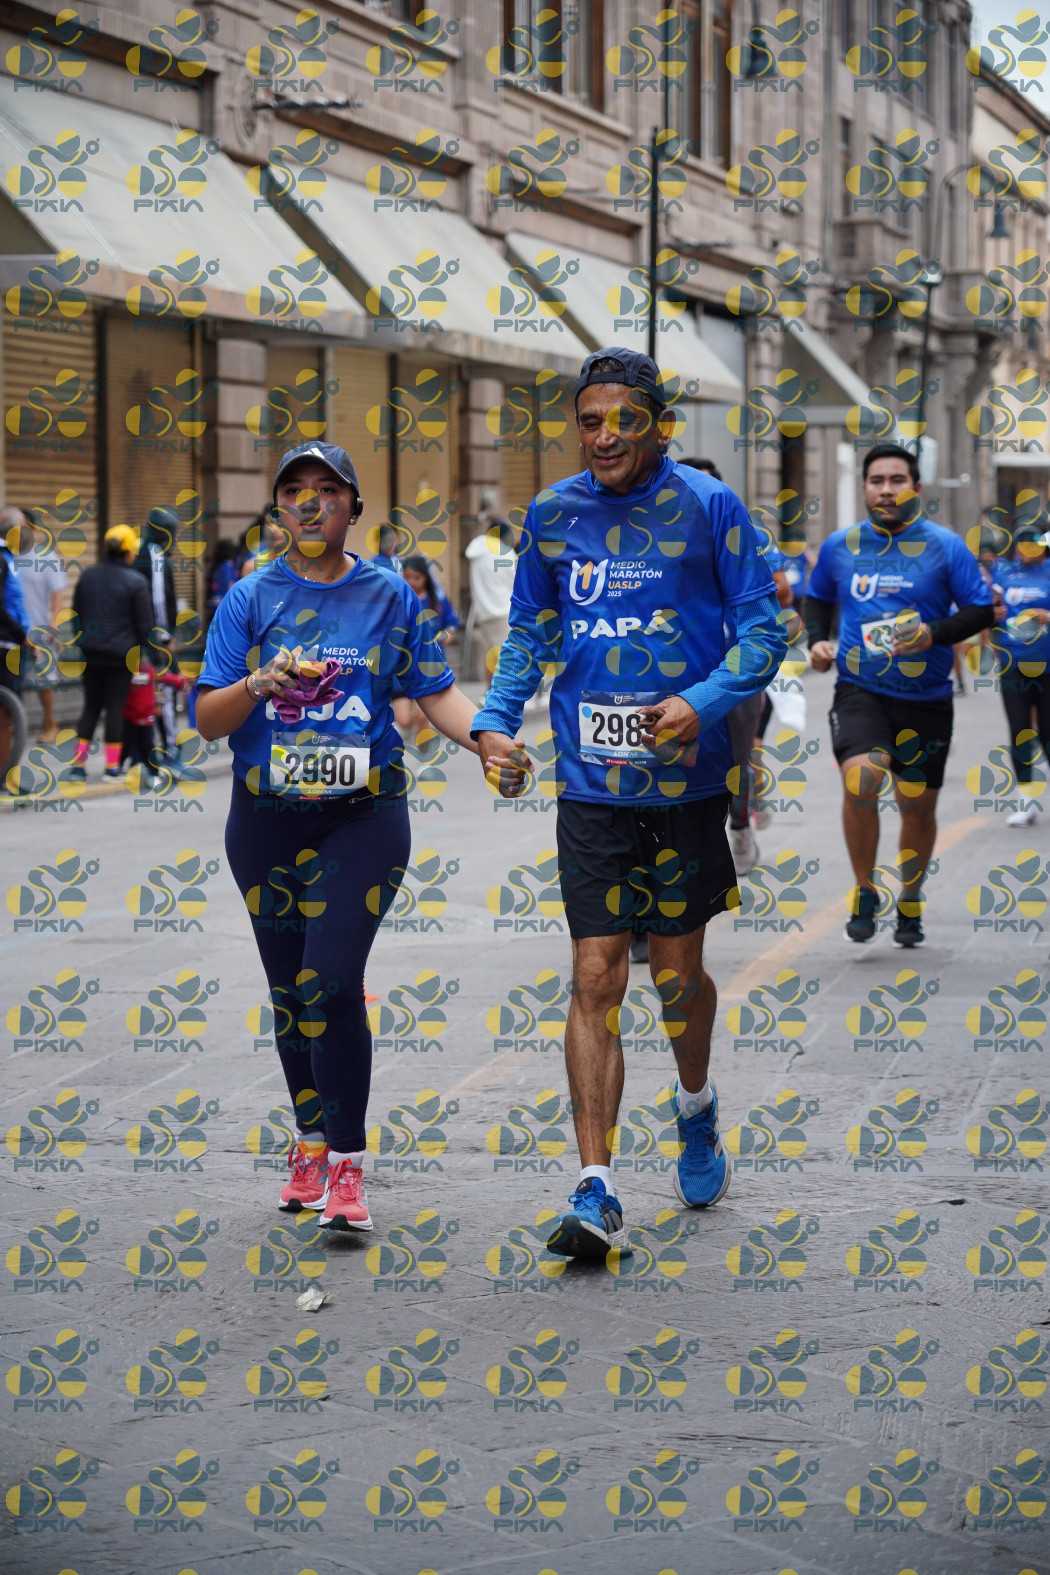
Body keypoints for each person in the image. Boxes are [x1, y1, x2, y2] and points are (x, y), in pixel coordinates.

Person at [471, 347, 787, 1259]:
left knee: (677, 979)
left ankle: (695, 1104)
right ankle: (596, 1185)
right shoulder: (553, 514)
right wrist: (495, 722)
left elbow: (763, 632)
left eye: (624, 420)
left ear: (661, 425)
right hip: (592, 784)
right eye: (590, 421)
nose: (604, 436)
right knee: (596, 974)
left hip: (685, 783)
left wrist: (702, 702)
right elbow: (529, 631)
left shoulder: (711, 506)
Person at [195, 441, 480, 1234]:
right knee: (291, 992)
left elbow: (436, 691)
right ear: (279, 509)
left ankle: (348, 1165)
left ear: (353, 506)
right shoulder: (249, 597)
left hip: (363, 814)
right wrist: (256, 683)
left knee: (328, 980)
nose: (311, 502)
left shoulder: (390, 595)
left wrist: (490, 740)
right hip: (265, 820)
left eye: (328, 488)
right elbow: (208, 717)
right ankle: (311, 1142)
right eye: (295, 490)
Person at [803, 443, 995, 947]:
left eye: (896, 480)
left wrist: (933, 634)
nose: (886, 490)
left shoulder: (945, 545)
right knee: (862, 779)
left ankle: (910, 896)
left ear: (916, 487)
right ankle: (864, 889)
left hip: (926, 696)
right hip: (860, 688)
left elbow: (979, 610)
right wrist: (817, 642)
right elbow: (817, 599)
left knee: (917, 807)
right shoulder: (841, 545)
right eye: (877, 481)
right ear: (865, 487)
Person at [70, 525, 153, 781]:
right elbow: (145, 627)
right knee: (115, 710)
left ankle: (78, 767)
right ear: (128, 552)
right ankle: (112, 768)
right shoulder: (136, 582)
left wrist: (82, 642)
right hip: (121, 657)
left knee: (91, 708)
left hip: (91, 653)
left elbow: (76, 615)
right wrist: (153, 657)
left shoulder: (88, 575)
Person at [989, 520, 1050, 827]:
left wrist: (1047, 616)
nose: (1026, 549)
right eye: (1021, 543)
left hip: (1047, 665)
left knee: (1048, 733)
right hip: (1013, 665)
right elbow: (987, 605)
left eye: (1032, 543)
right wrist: (992, 613)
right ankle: (1026, 801)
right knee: (1020, 731)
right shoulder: (1004, 572)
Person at [9, 509, 67, 744]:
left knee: (44, 681)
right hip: (11, 632)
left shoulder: (45, 557)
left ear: (32, 529)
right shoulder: (8, 555)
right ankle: (11, 724)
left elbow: (58, 592)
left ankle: (49, 721)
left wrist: (54, 621)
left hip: (38, 631)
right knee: (11, 681)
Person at [465, 493, 516, 681]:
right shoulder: (506, 553)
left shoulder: (477, 548)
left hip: (483, 613)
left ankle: (489, 693)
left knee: (491, 657)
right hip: (503, 612)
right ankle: (503, 695)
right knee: (508, 659)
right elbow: (517, 583)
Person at [0, 508, 30, 775]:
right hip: (5, 645)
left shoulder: (9, 557)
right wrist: (22, 636)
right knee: (6, 716)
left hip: (11, 643)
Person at [206, 538, 238, 624]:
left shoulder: (214, 567)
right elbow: (231, 586)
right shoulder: (228, 566)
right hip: (224, 606)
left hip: (213, 605)